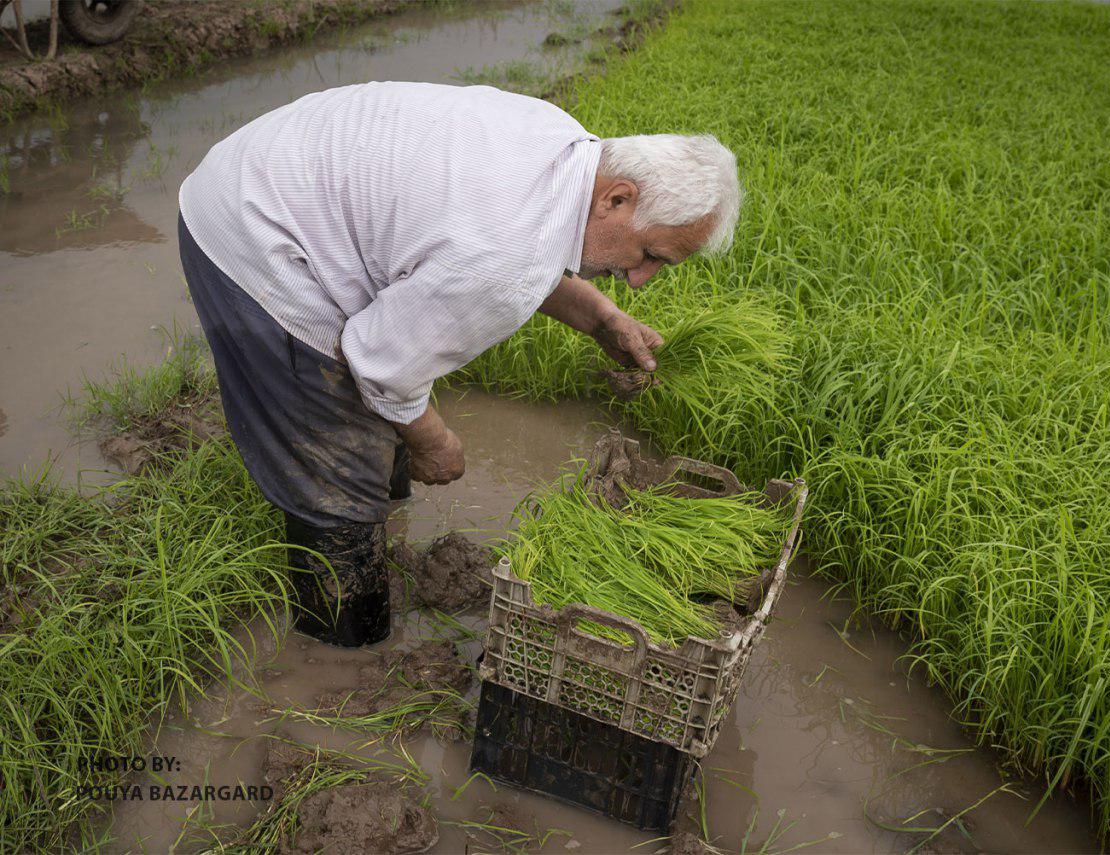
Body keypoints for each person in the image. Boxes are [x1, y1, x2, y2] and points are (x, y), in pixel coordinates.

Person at [177, 81, 740, 647]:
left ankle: (384, 518)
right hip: (255, 225)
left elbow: (497, 250)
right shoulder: (508, 256)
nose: (641, 279)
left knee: (376, 421)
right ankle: (340, 650)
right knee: (337, 453)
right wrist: (431, 439)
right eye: (650, 256)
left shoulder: (566, 148)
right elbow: (382, 364)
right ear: (617, 199)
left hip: (282, 163)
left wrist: (600, 318)